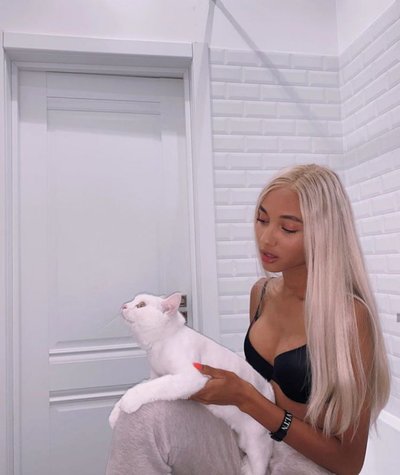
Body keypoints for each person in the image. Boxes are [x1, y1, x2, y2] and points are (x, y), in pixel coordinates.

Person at [106, 164, 390, 475]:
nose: (266, 238)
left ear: (325, 234)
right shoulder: (262, 294)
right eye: (262, 220)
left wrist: (248, 398)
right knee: (142, 418)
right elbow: (253, 390)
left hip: (306, 462)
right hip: (253, 441)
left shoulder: (350, 317)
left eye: (288, 228)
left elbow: (348, 464)